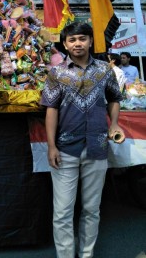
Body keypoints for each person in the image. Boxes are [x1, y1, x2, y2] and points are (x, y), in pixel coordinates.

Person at [41, 23, 124, 258]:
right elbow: (51, 109)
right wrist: (51, 146)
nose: (77, 43)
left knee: (91, 209)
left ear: (90, 41)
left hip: (97, 147)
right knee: (63, 212)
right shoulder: (56, 73)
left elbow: (115, 98)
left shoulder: (104, 70)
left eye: (82, 39)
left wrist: (115, 123)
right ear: (65, 44)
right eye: (72, 40)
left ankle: (86, 255)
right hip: (65, 149)